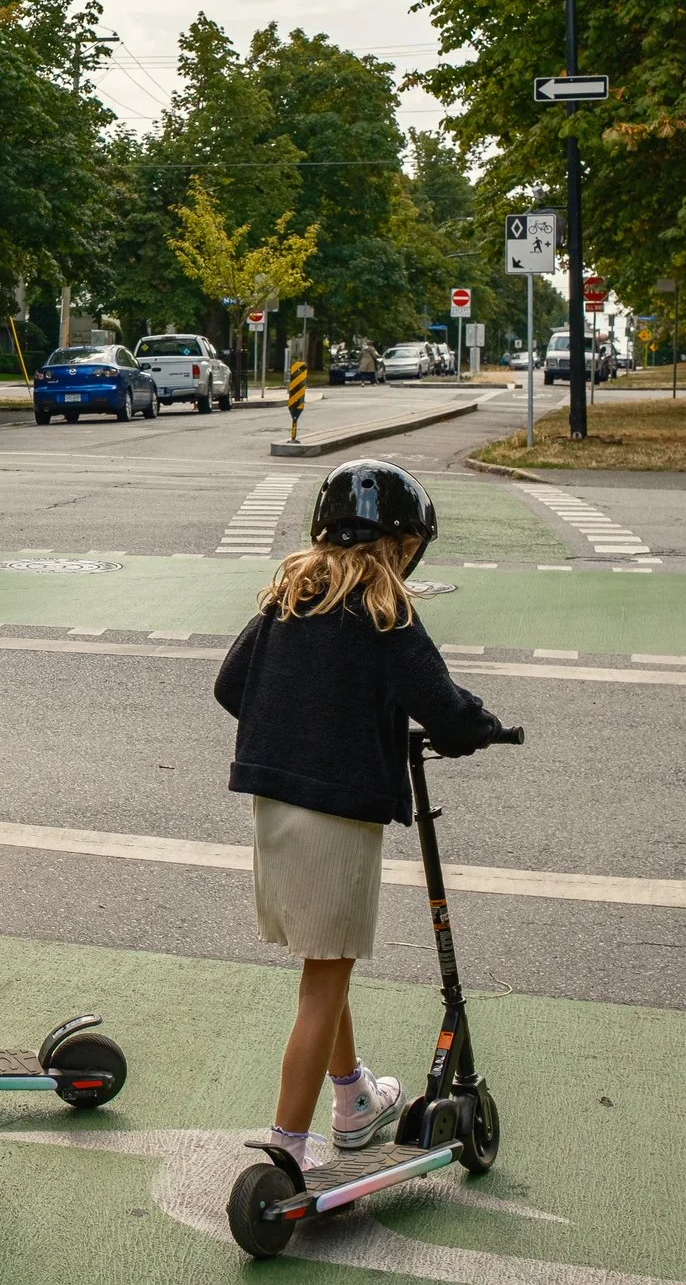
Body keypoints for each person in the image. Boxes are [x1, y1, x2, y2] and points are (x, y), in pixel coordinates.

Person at [212, 459, 504, 1169]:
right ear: (401, 544)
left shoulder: (288, 598)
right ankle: (285, 1148)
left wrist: (301, 717)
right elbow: (438, 701)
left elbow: (229, 684)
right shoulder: (385, 609)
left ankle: (353, 1101)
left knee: (324, 963)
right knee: (324, 979)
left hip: (274, 805)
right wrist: (481, 725)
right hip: (337, 818)